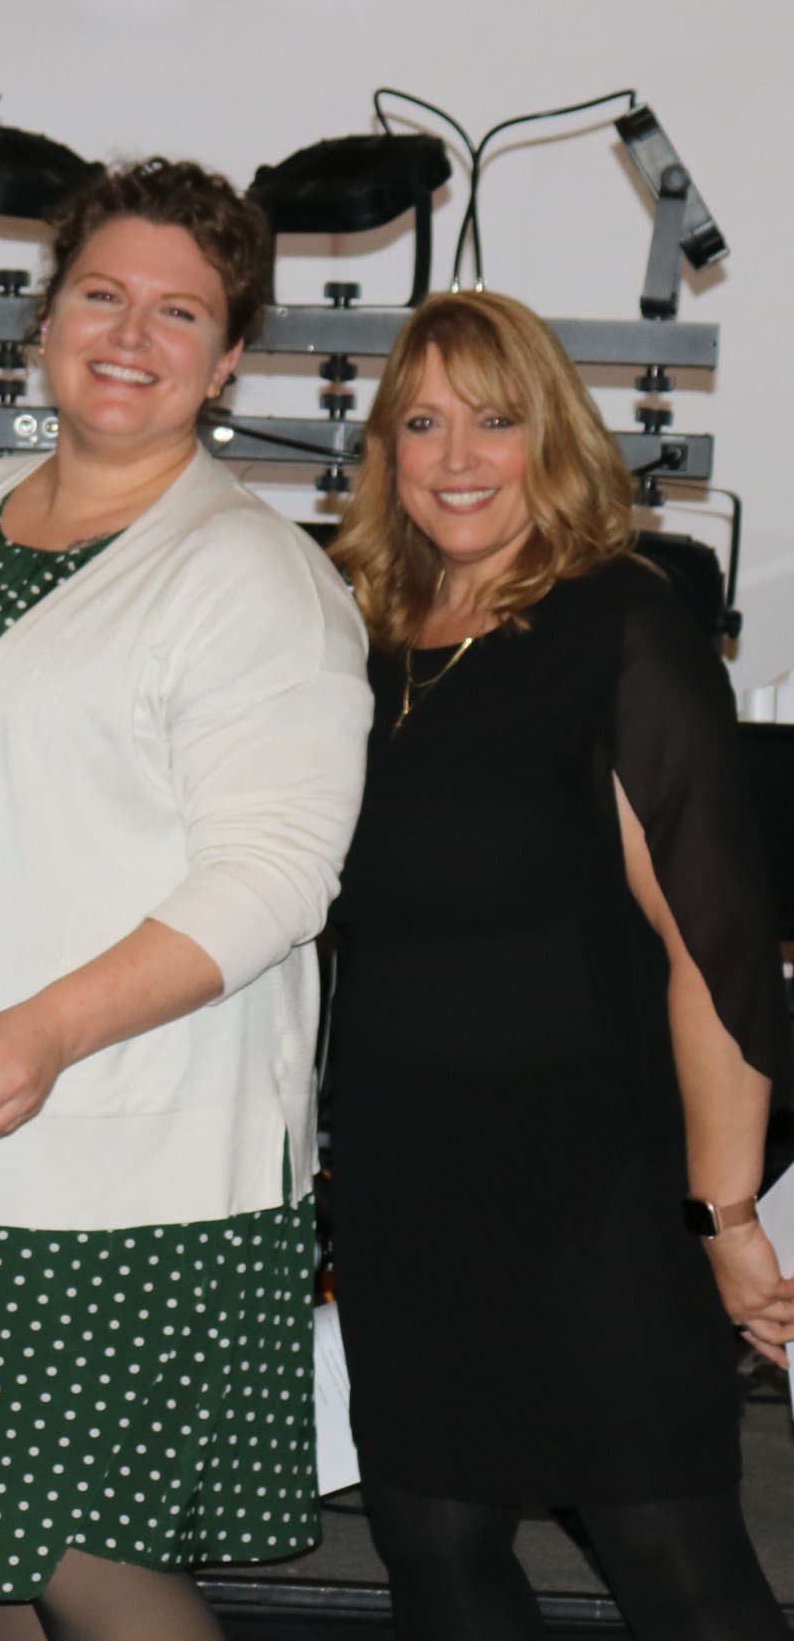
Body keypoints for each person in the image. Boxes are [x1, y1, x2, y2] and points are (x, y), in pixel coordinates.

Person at [0, 160, 371, 1640]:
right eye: (102, 295)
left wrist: (52, 1030)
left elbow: (275, 874)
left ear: (231, 356)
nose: (132, 336)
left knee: (75, 1549)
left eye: (180, 312)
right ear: (46, 317)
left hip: (115, 1145)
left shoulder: (253, 574)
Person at [323, 289, 794, 1640]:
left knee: (672, 1558)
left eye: (495, 420)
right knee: (434, 1551)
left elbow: (713, 946)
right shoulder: (363, 641)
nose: (457, 456)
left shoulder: (620, 624)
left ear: (556, 436)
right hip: (409, 1189)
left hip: (596, 1195)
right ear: (384, 452)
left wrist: (724, 1214)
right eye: (422, 424)